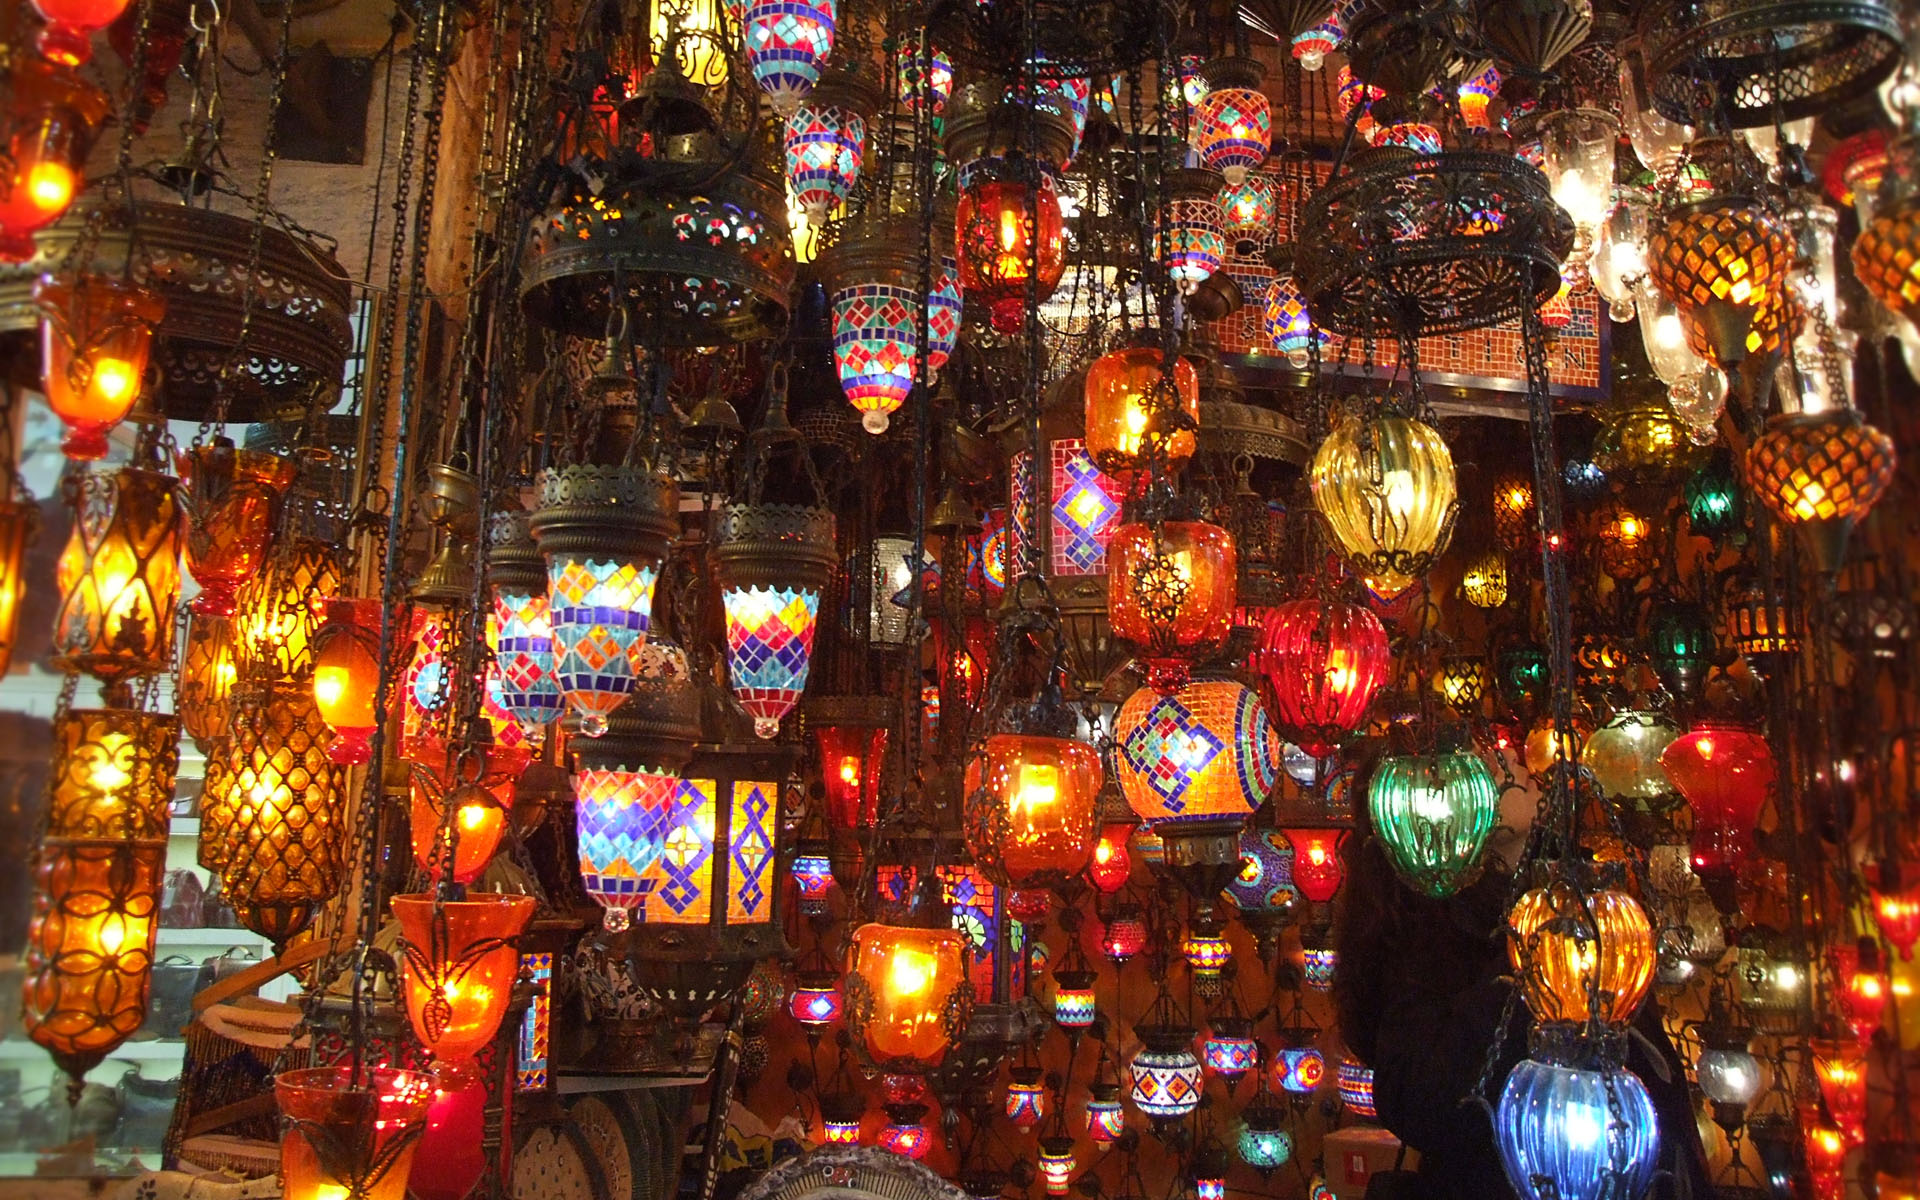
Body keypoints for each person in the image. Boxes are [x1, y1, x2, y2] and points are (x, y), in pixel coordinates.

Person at [1330, 741, 1711, 1200]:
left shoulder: (1573, 901)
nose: (1514, 761)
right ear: (1448, 805)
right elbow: (1421, 1100)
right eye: (1489, 761)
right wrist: (1525, 962)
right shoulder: (1435, 944)